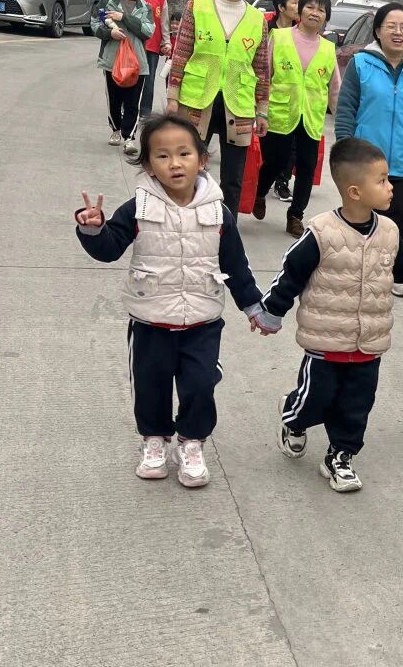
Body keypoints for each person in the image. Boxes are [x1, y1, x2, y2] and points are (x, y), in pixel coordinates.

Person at [74, 115, 277, 488]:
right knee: (150, 385)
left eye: (184, 153)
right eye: (162, 155)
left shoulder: (218, 212)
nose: (174, 163)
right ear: (149, 165)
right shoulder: (137, 208)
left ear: (202, 160)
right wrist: (93, 228)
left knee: (200, 385)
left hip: (202, 321)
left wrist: (253, 306)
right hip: (150, 321)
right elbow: (109, 249)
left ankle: (191, 442)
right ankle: (154, 439)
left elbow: (235, 264)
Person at [255, 138, 403, 492]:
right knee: (315, 399)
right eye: (382, 180)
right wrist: (271, 311)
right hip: (325, 343)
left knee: (356, 406)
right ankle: (294, 419)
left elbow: (401, 268)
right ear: (355, 192)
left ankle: (340, 456)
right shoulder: (321, 232)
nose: (391, 187)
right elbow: (291, 274)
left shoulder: (389, 231)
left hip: (368, 343)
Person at [334, 2, 403, 298]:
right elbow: (346, 109)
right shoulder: (361, 64)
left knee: (400, 218)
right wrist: (345, 152)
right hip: (365, 162)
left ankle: (395, 271)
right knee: (361, 216)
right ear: (378, 31)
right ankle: (356, 269)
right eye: (391, 26)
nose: (398, 32)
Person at [166, 0, 269, 217]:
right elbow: (181, 52)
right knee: (188, 166)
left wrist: (262, 110)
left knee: (233, 178)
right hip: (197, 100)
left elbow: (261, 68)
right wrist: (173, 96)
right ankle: (182, 218)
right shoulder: (197, 5)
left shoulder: (258, 19)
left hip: (239, 104)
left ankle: (226, 227)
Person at [252, 0, 340, 238]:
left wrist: (342, 123)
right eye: (310, 7)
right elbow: (264, 75)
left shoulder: (328, 48)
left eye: (321, 10)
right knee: (275, 162)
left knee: (306, 167)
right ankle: (260, 193)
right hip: (280, 113)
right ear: (299, 11)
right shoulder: (279, 37)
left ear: (326, 17)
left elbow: (334, 89)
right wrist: (260, 110)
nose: (315, 13)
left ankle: (296, 215)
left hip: (310, 117)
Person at [91, 0, 154, 156]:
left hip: (137, 63)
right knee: (114, 100)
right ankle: (116, 130)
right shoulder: (107, 2)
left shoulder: (145, 7)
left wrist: (124, 17)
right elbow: (94, 23)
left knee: (133, 102)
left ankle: (129, 138)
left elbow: (148, 31)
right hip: (112, 60)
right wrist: (109, 33)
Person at [265, 0, 301, 203]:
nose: (299, 7)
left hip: (294, 101)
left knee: (292, 145)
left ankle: (282, 183)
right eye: (295, 2)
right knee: (271, 146)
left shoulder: (301, 32)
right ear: (281, 7)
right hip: (268, 97)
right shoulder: (266, 30)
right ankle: (264, 181)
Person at [136, 0, 170, 124]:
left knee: (149, 81)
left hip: (153, 46)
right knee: (131, 78)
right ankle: (127, 108)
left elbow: (164, 22)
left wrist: (166, 42)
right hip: (134, 44)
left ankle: (145, 113)